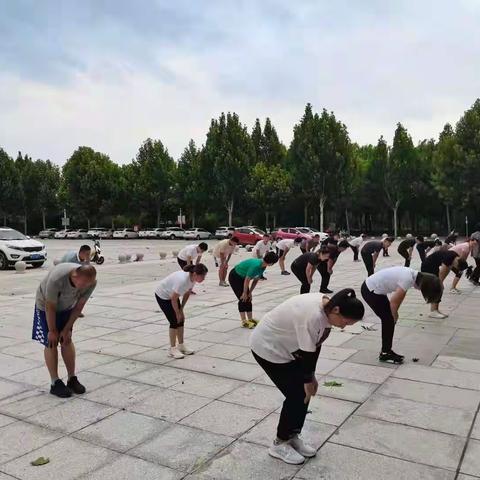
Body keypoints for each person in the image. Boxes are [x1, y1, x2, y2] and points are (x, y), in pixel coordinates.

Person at [250, 289, 365, 465]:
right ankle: (279, 443)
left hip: (289, 347)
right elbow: (308, 352)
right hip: (268, 347)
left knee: (305, 393)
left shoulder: (327, 307)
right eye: (345, 322)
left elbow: (314, 346)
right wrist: (308, 379)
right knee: (297, 394)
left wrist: (311, 377)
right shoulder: (312, 316)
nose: (343, 326)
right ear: (336, 310)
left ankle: (292, 435)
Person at [32, 264, 97, 398]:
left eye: (88, 284)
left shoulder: (91, 282)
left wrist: (67, 329)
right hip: (45, 307)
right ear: (74, 276)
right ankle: (55, 382)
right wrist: (52, 330)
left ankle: (71, 378)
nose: (85, 286)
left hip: (67, 306)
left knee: (66, 339)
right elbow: (49, 306)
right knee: (51, 341)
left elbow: (79, 307)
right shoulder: (57, 279)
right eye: (83, 283)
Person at [361, 266, 443, 364]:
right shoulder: (407, 279)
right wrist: (394, 316)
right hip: (370, 290)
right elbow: (394, 303)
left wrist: (394, 315)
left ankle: (386, 351)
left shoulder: (412, 275)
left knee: (389, 319)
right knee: (388, 320)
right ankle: (385, 353)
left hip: (374, 288)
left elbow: (397, 302)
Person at [155, 264, 208, 359]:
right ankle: (172, 349)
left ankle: (181, 345)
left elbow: (187, 293)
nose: (204, 278)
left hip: (172, 296)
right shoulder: (182, 280)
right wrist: (177, 313)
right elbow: (173, 298)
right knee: (174, 320)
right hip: (163, 295)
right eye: (202, 276)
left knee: (181, 319)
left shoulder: (192, 279)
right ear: (195, 274)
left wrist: (181, 310)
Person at [228, 252, 278, 328]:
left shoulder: (263, 266)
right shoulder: (256, 265)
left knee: (248, 298)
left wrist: (250, 292)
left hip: (243, 278)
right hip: (235, 276)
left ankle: (250, 319)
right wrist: (245, 293)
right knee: (243, 298)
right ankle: (244, 321)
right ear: (271, 263)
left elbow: (256, 279)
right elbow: (247, 280)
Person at [421, 249, 468, 318]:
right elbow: (442, 271)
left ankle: (435, 310)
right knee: (436, 288)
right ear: (457, 263)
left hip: (434, 267)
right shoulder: (449, 258)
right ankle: (433, 311)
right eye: (456, 267)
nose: (455, 268)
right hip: (427, 267)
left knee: (438, 288)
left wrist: (441, 282)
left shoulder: (455, 257)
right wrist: (440, 283)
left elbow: (447, 270)